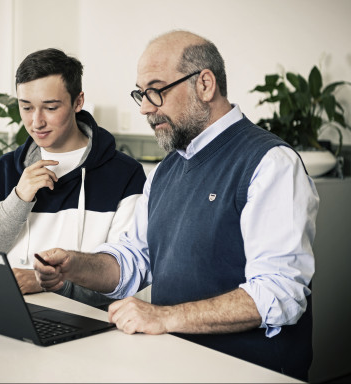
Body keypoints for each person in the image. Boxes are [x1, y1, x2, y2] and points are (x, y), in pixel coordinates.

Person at [34, 31, 319, 381]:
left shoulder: (270, 163)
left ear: (204, 84)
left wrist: (164, 316)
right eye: (141, 93)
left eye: (156, 90)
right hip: (174, 364)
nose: (144, 108)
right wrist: (76, 265)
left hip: (250, 371)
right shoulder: (165, 170)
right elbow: (134, 259)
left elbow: (280, 293)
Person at [0, 48, 147, 309]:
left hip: (86, 327)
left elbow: (126, 275)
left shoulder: (125, 175)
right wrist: (18, 199)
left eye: (51, 107)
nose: (36, 122)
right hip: (2, 314)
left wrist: (47, 282)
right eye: (26, 107)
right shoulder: (4, 171)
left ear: (78, 102)